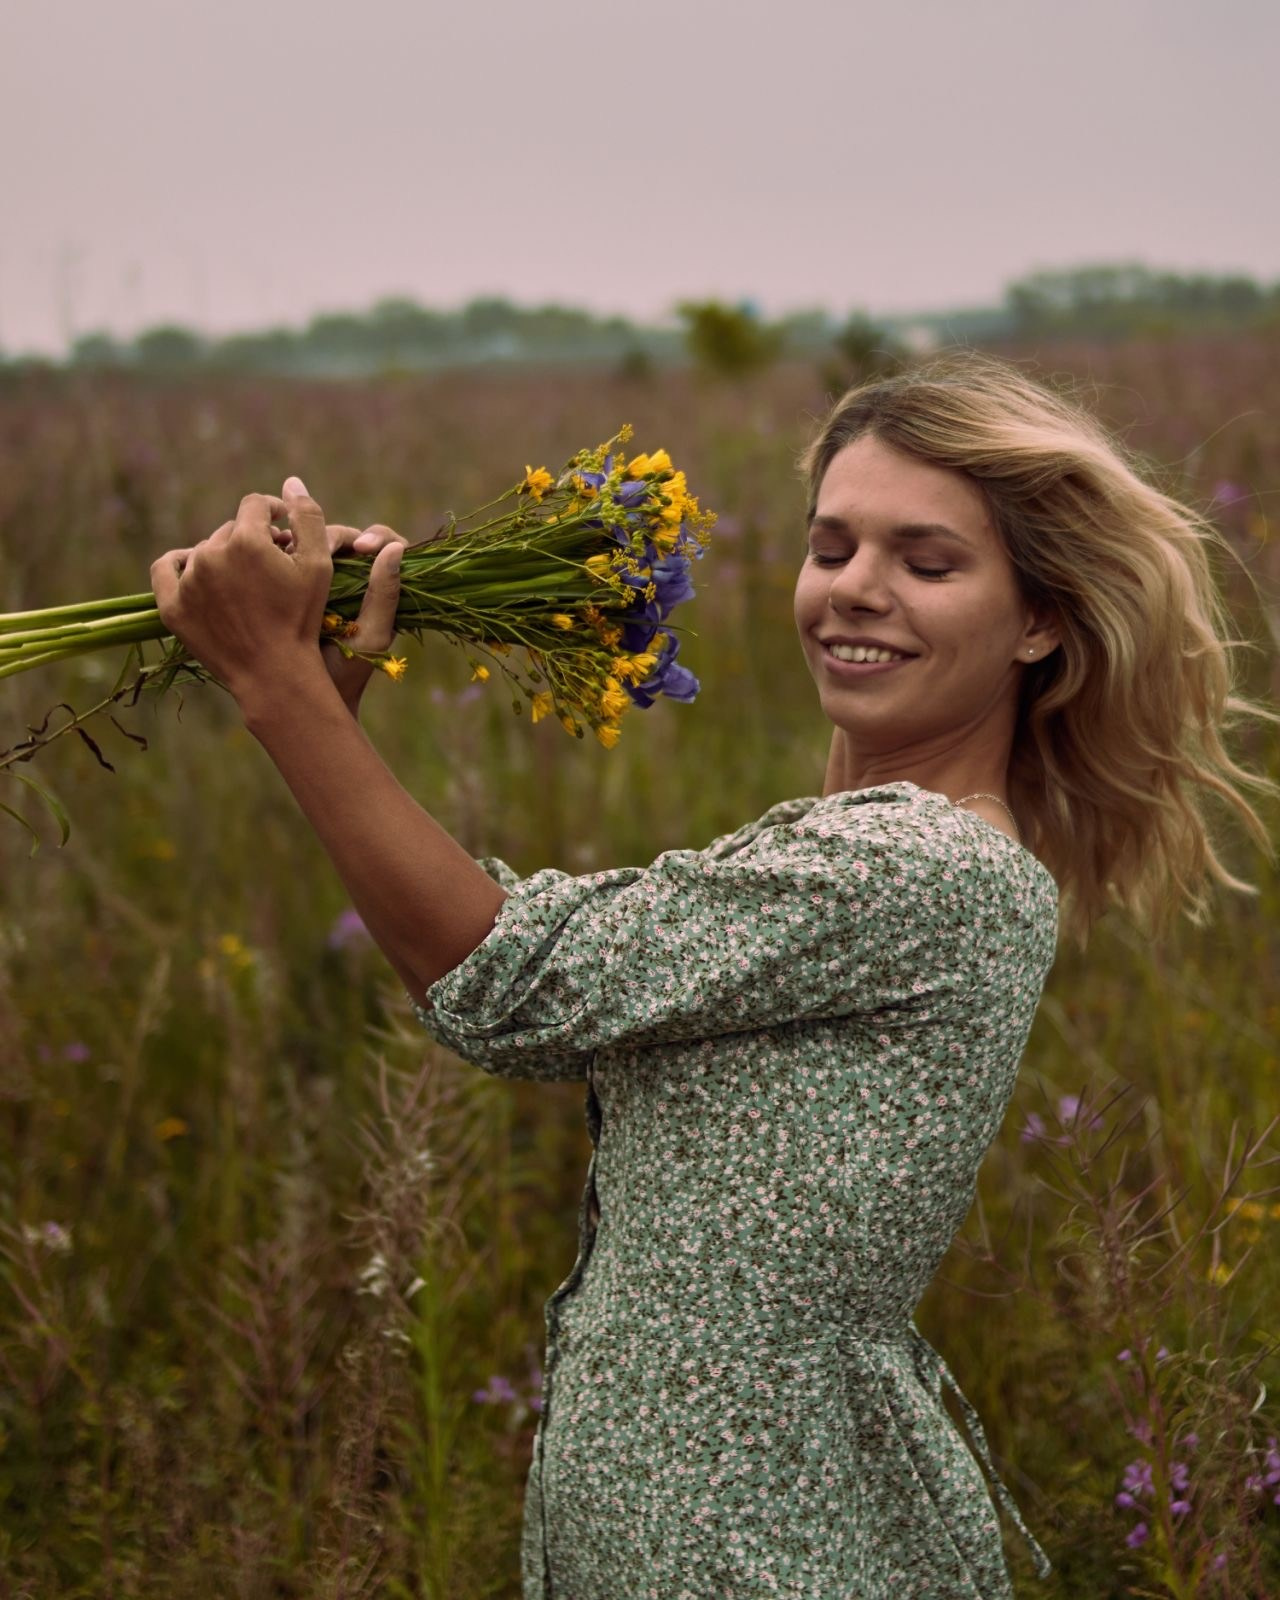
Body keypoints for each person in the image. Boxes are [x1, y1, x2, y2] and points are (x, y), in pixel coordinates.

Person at [151, 351, 1276, 1598]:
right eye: (832, 546)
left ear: (1038, 620)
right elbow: (542, 953)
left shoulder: (920, 865)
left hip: (744, 1538)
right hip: (689, 1517)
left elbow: (516, 984)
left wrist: (276, 687)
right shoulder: (849, 843)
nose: (855, 592)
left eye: (927, 561)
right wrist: (322, 702)